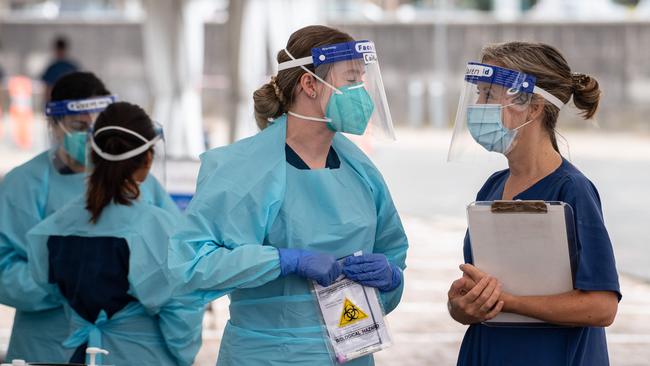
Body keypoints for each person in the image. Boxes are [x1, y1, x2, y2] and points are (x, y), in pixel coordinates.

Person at [169, 25, 408, 365]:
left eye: (362, 80)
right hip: (266, 355)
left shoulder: (361, 172)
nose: (361, 93)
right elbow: (190, 265)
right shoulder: (242, 169)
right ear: (309, 84)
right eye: (351, 80)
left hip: (353, 350)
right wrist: (281, 261)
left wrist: (390, 277)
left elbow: (392, 250)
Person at [446, 42, 621, 366]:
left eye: (488, 95)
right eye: (479, 94)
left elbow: (601, 306)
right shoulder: (492, 188)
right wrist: (461, 306)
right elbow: (480, 292)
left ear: (534, 105)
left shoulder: (572, 190)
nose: (478, 106)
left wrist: (510, 302)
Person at [0, 72, 174, 363]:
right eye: (79, 127)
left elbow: (174, 252)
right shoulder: (23, 184)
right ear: (54, 126)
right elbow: (3, 269)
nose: (90, 136)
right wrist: (67, 284)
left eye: (97, 126)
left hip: (126, 344)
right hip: (47, 346)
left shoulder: (137, 179)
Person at [26, 102, 203, 366]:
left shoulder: (53, 228)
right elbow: (181, 310)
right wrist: (183, 355)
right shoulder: (156, 227)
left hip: (83, 355)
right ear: (148, 159)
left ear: (93, 155)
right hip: (142, 357)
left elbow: (49, 287)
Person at [40, 36, 79, 102]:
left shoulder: (52, 68)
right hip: (69, 104)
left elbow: (47, 90)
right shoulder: (72, 67)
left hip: (58, 104)